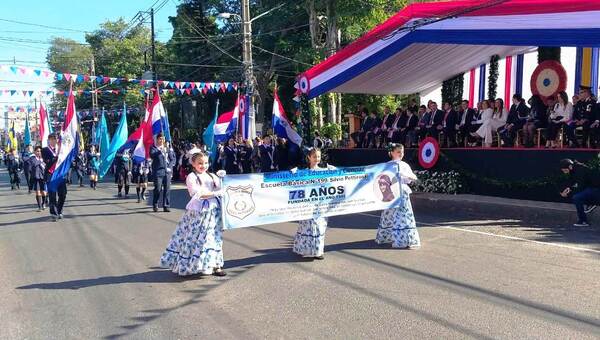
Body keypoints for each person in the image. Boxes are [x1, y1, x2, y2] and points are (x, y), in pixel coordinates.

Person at [159, 149, 227, 276]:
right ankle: (189, 265)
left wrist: (223, 180)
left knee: (214, 237)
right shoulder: (191, 177)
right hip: (198, 213)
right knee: (195, 238)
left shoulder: (212, 176)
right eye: (200, 163)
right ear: (194, 164)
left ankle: (216, 265)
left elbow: (222, 187)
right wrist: (215, 193)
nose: (203, 166)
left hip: (213, 211)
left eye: (206, 163)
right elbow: (197, 194)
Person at [292, 148, 336, 260]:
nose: (317, 159)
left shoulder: (324, 171)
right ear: (309, 157)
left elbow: (338, 178)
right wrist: (292, 174)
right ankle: (305, 249)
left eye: (319, 157)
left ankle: (318, 251)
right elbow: (295, 184)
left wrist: (334, 171)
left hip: (321, 204)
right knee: (308, 226)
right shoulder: (304, 172)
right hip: (308, 204)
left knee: (320, 226)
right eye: (315, 156)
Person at [375, 143, 420, 248]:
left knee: (403, 216)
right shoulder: (387, 165)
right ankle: (387, 237)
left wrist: (405, 175)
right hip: (391, 195)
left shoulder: (404, 165)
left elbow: (413, 178)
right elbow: (381, 179)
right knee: (388, 216)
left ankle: (406, 240)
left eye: (402, 152)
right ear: (392, 153)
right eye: (398, 152)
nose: (401, 154)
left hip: (402, 194)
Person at [559, 159, 600, 227]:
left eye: (565, 170)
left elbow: (581, 186)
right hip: (590, 187)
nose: (565, 172)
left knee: (577, 197)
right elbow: (572, 182)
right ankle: (591, 203)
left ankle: (583, 221)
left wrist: (570, 191)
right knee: (578, 195)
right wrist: (567, 189)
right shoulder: (574, 170)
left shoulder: (580, 170)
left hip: (596, 188)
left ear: (570, 166)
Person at [42, 134, 66, 221]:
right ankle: (54, 213)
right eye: (51, 139)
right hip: (50, 175)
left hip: (60, 175)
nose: (53, 141)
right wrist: (56, 157)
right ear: (48, 140)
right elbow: (47, 161)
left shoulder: (62, 150)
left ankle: (59, 210)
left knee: (63, 194)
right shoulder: (45, 150)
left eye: (54, 139)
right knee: (52, 195)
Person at [150, 133, 176, 212]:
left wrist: (170, 167)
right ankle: (155, 204)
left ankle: (166, 205)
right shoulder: (154, 148)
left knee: (167, 189)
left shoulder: (168, 149)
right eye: (160, 139)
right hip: (158, 171)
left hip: (167, 172)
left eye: (163, 139)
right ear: (157, 139)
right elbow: (152, 155)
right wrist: (160, 151)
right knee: (158, 189)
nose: (162, 140)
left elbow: (173, 159)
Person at [30, 146, 47, 211]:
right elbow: (34, 164)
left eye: (40, 151)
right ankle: (39, 206)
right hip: (36, 177)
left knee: (44, 192)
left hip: (43, 177)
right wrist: (40, 160)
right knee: (38, 192)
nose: (39, 152)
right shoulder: (33, 158)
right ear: (34, 152)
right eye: (37, 151)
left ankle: (44, 203)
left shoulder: (44, 158)